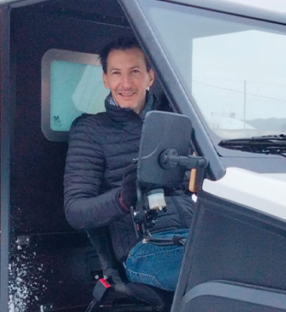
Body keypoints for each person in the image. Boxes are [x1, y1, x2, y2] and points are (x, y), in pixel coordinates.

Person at [63, 36, 194, 292]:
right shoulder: (90, 130)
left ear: (150, 77)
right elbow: (75, 211)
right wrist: (123, 198)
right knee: (215, 276)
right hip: (143, 251)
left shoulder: (176, 124)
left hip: (191, 239)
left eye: (134, 72)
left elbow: (194, 185)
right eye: (116, 73)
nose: (125, 83)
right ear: (105, 79)